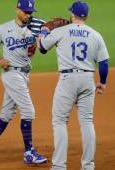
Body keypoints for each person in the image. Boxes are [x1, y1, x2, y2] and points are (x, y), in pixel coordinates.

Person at [37, 1, 109, 170]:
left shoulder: (61, 31)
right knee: (87, 121)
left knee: (60, 121)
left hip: (68, 80)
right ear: (86, 16)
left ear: (72, 14)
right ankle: (88, 166)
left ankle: (59, 166)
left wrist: (44, 31)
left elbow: (41, 47)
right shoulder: (95, 34)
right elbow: (104, 62)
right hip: (87, 79)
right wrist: (103, 82)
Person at [0, 0, 47, 166]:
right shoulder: (3, 28)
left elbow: (47, 38)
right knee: (28, 111)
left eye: (30, 12)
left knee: (7, 113)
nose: (27, 15)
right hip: (11, 74)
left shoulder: (36, 27)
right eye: (24, 11)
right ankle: (29, 152)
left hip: (24, 74)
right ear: (17, 9)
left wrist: (47, 30)